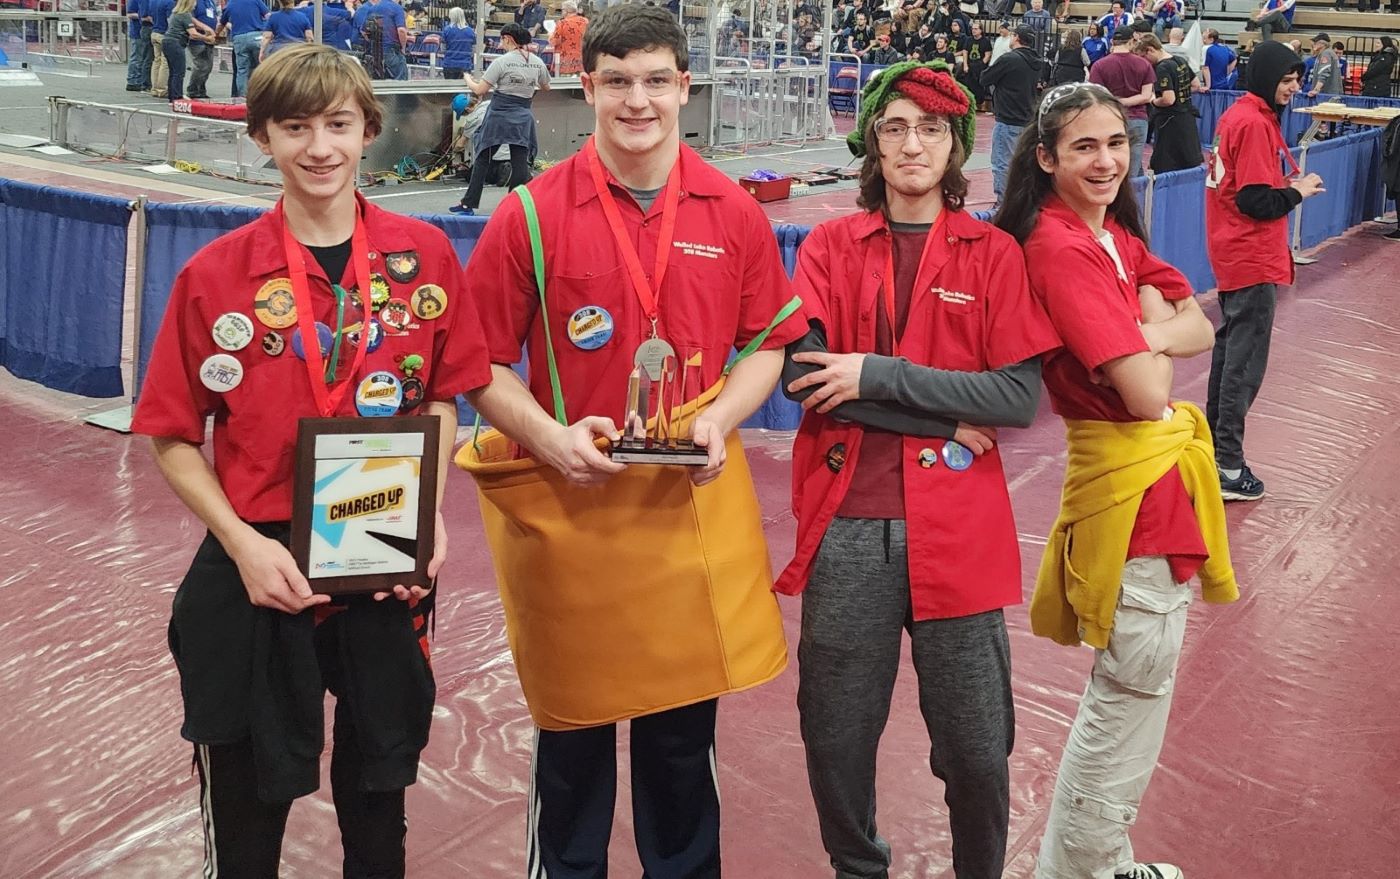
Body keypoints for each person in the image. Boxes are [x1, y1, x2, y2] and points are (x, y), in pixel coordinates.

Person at [131, 43, 492, 877]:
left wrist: (426, 511)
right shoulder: (214, 276)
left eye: (337, 125)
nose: (319, 147)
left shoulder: (424, 258)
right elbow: (173, 435)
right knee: (249, 805)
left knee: (379, 799)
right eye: (295, 127)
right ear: (262, 137)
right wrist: (243, 545)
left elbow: (443, 396)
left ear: (368, 130)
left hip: (380, 552)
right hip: (258, 556)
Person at [463, 7, 808, 877]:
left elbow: (770, 342)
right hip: (571, 515)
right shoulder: (531, 216)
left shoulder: (731, 210)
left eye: (657, 79)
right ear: (587, 89)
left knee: (681, 754)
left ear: (686, 87)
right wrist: (548, 437)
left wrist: (720, 418)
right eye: (617, 80)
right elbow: (474, 364)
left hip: (680, 521)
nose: (638, 100)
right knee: (572, 756)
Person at [777, 59, 1060, 879]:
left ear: (956, 144)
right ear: (872, 140)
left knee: (977, 745)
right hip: (847, 523)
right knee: (835, 735)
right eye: (895, 127)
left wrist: (871, 376)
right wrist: (937, 411)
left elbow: (1014, 396)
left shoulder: (993, 253)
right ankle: (858, 867)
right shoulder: (829, 244)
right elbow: (804, 374)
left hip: (960, 531)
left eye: (930, 128)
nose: (911, 144)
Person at [993, 80, 1239, 879]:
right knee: (1128, 696)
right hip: (1131, 497)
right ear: (1045, 157)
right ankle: (1081, 869)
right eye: (1084, 147)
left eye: (1116, 144)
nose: (1106, 161)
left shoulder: (1108, 234)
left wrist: (1149, 328)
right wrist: (1159, 335)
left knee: (1133, 696)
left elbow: (1205, 318)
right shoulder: (1061, 247)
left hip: (1154, 489)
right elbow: (1147, 392)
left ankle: (1090, 861)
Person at [1205, 41, 1324, 501]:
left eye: (1297, 81)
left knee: (1229, 354)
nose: (1294, 89)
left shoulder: (1241, 113)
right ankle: (1229, 466)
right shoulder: (1254, 123)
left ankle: (1217, 452)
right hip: (1250, 253)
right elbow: (1256, 200)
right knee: (1243, 364)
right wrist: (1299, 191)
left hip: (1235, 251)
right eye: (1287, 80)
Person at [448, 23, 549, 215]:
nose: (500, 44)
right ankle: (516, 207)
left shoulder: (502, 62)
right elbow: (546, 87)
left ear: (508, 38)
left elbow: (479, 90)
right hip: (522, 115)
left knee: (483, 158)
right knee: (520, 161)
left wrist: (467, 78)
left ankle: (468, 204)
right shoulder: (537, 62)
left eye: (501, 39)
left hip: (499, 115)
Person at [982, 26, 1042, 206]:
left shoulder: (1009, 59)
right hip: (1027, 117)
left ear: (1016, 38)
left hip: (1008, 117)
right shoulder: (1036, 61)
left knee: (1002, 163)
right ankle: (1024, 200)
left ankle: (1003, 202)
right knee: (1025, 163)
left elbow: (985, 78)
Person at [1089, 28, 1154, 178]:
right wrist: (1125, 101)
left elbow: (1095, 95)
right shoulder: (1144, 64)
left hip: (1110, 119)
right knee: (1133, 166)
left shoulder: (1099, 65)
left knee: (1109, 164)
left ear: (1112, 42)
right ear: (1131, 41)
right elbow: (1146, 96)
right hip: (1137, 119)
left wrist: (1117, 102)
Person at [1134, 34, 1201, 172]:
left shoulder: (1162, 68)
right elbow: (1196, 85)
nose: (1144, 62)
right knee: (1187, 163)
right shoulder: (1180, 61)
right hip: (1187, 120)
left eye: (1143, 57)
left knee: (1163, 164)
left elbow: (1168, 99)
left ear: (1150, 50)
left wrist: (1153, 100)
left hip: (1170, 123)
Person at [162, 0, 214, 100]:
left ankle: (173, 96)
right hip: (176, 43)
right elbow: (193, 34)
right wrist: (207, 38)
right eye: (194, 3)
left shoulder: (176, 13)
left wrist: (205, 29)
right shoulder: (185, 15)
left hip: (168, 42)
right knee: (179, 72)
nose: (195, 5)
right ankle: (177, 96)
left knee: (173, 71)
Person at [218, 0, 268, 97]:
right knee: (261, 68)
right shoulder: (256, 1)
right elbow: (268, 15)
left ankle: (242, 97)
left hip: (239, 38)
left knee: (242, 70)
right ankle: (261, 95)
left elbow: (222, 23)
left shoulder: (230, 4)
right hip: (256, 36)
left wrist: (215, 34)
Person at [352, 0, 409, 79]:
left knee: (380, 81)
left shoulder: (372, 8)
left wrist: (372, 41)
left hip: (375, 53)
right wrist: (403, 48)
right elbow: (401, 31)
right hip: (393, 50)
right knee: (400, 82)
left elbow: (364, 31)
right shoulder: (397, 8)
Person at [550, 0, 588, 74]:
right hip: (582, 60)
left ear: (567, 11)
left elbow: (554, 41)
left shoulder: (562, 23)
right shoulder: (585, 21)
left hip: (566, 61)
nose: (561, 12)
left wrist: (550, 35)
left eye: (562, 9)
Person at [439, 6, 477, 77]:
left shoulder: (446, 30)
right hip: (465, 65)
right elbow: (473, 50)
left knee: (449, 87)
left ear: (451, 17)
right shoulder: (471, 31)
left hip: (449, 65)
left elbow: (443, 49)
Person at [125, 0, 154, 92]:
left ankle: (141, 81)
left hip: (147, 29)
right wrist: (143, 16)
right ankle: (133, 81)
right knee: (137, 56)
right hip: (137, 30)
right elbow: (129, 14)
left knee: (145, 57)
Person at [1307, 32, 1342, 99]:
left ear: (1322, 44)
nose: (1313, 44)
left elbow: (1324, 72)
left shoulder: (1326, 53)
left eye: (1315, 42)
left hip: (1326, 95)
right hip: (1331, 94)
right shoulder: (1329, 53)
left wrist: (1316, 90)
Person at [149, 0, 172, 98]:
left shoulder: (153, 1)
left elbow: (150, 17)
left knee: (156, 61)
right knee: (165, 62)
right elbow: (170, 21)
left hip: (154, 32)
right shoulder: (169, 2)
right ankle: (162, 89)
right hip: (164, 34)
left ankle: (154, 89)